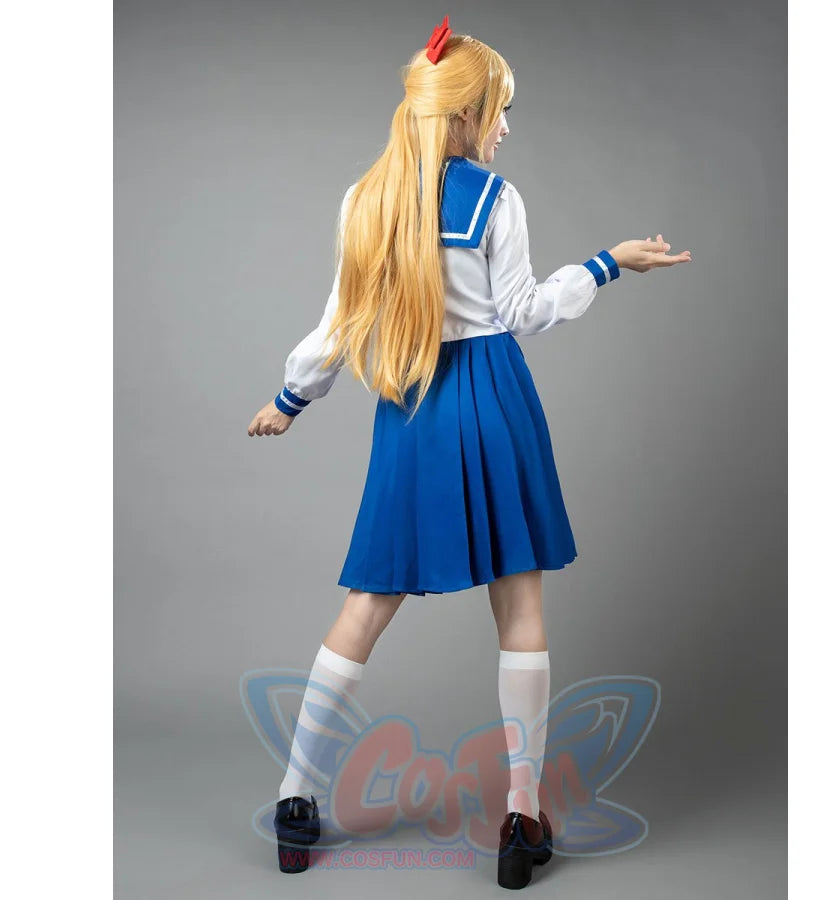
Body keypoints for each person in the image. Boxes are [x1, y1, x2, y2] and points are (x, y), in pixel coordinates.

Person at [247, 16, 691, 888]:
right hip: (493, 402)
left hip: (411, 408)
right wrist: (606, 264)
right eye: (500, 109)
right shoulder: (497, 199)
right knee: (519, 606)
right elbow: (523, 312)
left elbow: (339, 326)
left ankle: (295, 799)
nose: (506, 127)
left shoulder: (364, 200)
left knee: (367, 603)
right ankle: (521, 821)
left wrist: (290, 398)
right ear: (464, 114)